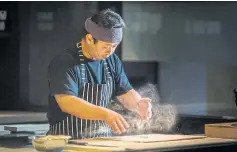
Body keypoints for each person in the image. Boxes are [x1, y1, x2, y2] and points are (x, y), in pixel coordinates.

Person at [47, 8, 152, 139]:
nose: (110, 51)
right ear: (90, 38)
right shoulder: (65, 61)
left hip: (101, 141)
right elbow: (67, 102)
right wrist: (106, 114)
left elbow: (125, 93)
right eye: (106, 46)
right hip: (67, 142)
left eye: (114, 46)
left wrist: (138, 104)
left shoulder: (112, 61)